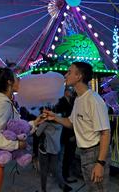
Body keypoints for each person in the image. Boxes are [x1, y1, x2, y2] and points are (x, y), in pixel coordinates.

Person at [44, 62, 111, 192]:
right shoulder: (78, 99)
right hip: (84, 153)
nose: (65, 75)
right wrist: (55, 117)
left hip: (95, 153)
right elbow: (71, 123)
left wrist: (100, 163)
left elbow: (105, 133)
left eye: (69, 72)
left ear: (79, 76)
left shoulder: (93, 100)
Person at [0, 67, 43, 192]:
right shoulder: (2, 104)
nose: (20, 80)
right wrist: (17, 144)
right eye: (17, 78)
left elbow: (15, 128)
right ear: (9, 82)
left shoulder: (3, 102)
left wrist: (35, 123)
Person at [36, 111, 72, 192]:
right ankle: (63, 185)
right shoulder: (60, 124)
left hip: (44, 149)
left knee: (43, 170)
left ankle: (43, 190)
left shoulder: (45, 123)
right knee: (56, 168)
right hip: (56, 149)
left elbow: (37, 133)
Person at [55, 87, 77, 183]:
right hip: (65, 130)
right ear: (66, 92)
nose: (71, 92)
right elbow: (60, 115)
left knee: (70, 154)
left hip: (71, 129)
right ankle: (65, 175)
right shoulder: (61, 102)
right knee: (65, 155)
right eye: (70, 91)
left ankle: (66, 174)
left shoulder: (72, 101)